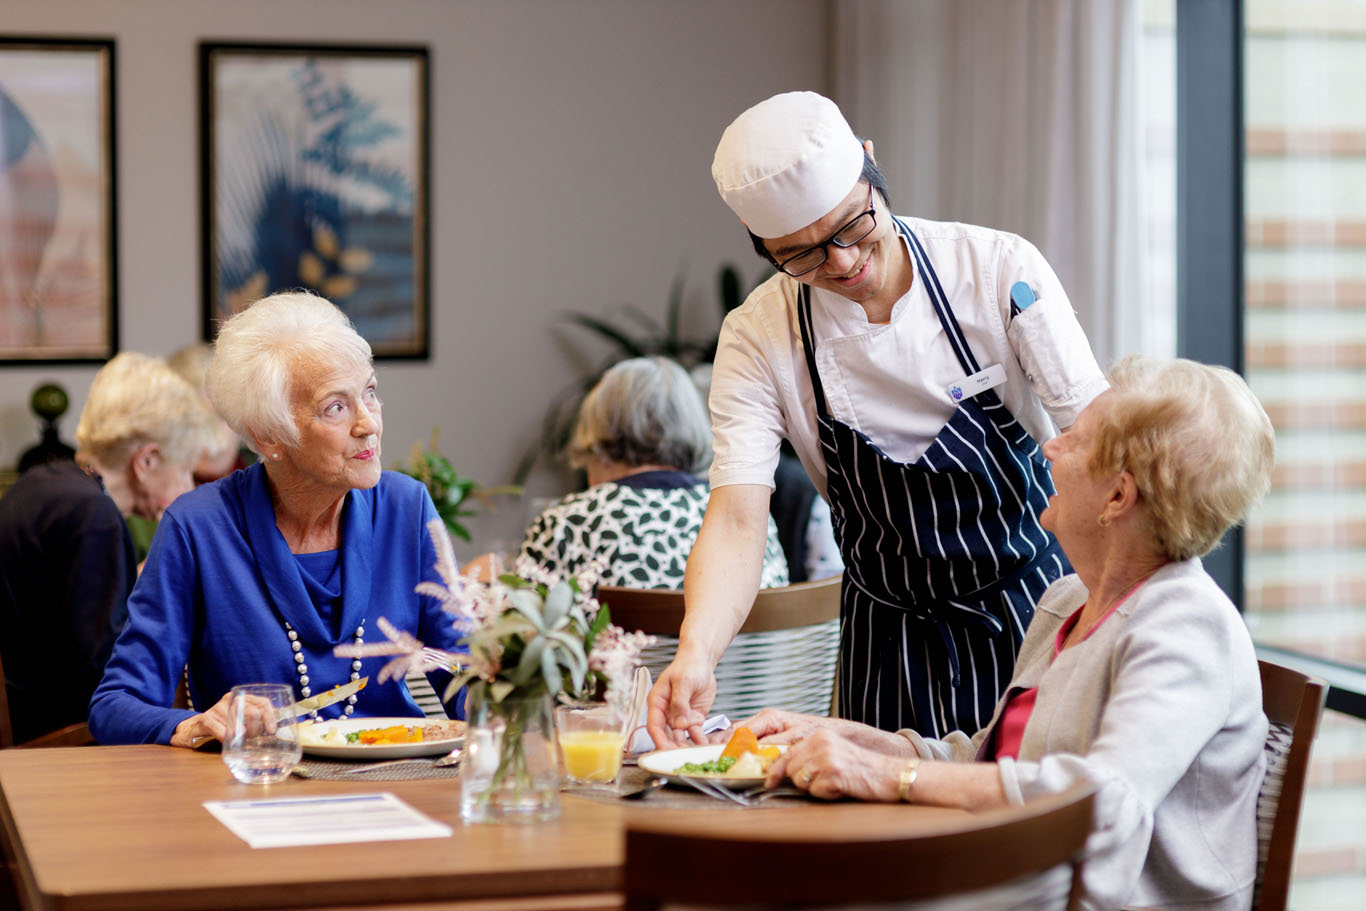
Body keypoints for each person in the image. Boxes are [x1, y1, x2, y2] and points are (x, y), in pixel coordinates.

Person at [649, 91, 1108, 745]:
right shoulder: (759, 334)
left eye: (851, 227)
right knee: (870, 834)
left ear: (870, 163)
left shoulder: (996, 270)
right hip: (886, 640)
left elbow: (1097, 438)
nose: (840, 263)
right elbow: (737, 515)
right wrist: (696, 652)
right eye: (801, 255)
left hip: (1032, 616)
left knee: (1025, 825)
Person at [739, 356, 1274, 911]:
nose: (1050, 448)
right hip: (1013, 880)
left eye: (1075, 438)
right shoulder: (1068, 600)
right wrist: (849, 741)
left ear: (1118, 497)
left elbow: (1104, 797)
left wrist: (889, 776)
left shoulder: (1188, 624)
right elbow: (990, 765)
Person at [89, 292, 464, 747]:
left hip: (398, 783)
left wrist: (513, 681)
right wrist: (192, 724)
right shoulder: (198, 528)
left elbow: (460, 674)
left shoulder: (407, 508)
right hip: (258, 789)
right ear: (270, 437)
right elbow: (115, 705)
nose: (369, 423)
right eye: (336, 407)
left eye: (369, 393)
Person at [0, 353, 216, 744]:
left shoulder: (41, 485)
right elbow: (104, 674)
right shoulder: (95, 515)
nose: (190, 486)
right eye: (185, 469)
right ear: (147, 461)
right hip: (59, 742)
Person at [512, 356, 788, 589]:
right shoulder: (746, 516)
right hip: (736, 656)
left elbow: (522, 637)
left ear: (599, 435)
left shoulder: (565, 524)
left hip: (626, 655)